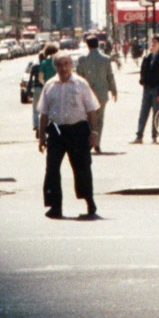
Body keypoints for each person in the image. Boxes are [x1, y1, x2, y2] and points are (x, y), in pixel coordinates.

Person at [37, 50, 100, 219]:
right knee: (52, 169)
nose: (63, 68)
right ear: (55, 66)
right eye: (59, 64)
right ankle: (55, 206)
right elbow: (43, 113)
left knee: (82, 168)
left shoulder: (81, 84)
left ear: (71, 65)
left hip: (78, 130)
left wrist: (94, 132)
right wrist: (42, 137)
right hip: (56, 132)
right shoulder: (49, 85)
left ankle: (89, 201)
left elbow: (92, 110)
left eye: (66, 64)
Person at [77, 34, 118, 152]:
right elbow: (110, 76)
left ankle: (88, 142)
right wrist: (114, 91)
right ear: (98, 44)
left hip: (87, 94)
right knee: (99, 119)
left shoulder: (82, 60)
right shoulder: (105, 59)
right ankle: (97, 143)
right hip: (101, 94)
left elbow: (79, 77)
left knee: (87, 118)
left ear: (87, 45)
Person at [132, 34, 159, 142]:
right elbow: (143, 71)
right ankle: (139, 135)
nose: (153, 44)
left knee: (156, 113)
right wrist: (142, 80)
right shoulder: (147, 58)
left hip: (156, 89)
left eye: (155, 43)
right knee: (143, 112)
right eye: (152, 42)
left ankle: (154, 135)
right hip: (147, 88)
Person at [31, 41, 59, 136]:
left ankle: (40, 128)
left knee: (43, 110)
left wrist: (46, 84)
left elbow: (40, 78)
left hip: (47, 89)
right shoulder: (58, 62)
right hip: (57, 88)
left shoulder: (44, 62)